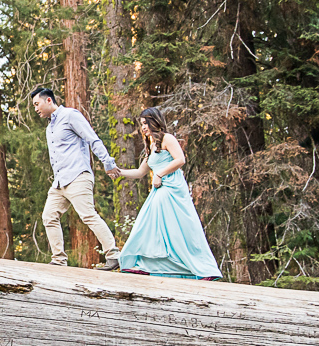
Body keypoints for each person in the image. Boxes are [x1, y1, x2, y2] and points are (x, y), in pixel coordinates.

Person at [114, 106, 223, 280]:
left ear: (154, 121)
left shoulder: (167, 138)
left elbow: (180, 159)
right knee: (150, 225)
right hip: (160, 191)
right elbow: (140, 172)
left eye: (145, 123)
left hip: (172, 189)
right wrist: (118, 171)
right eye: (141, 124)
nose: (142, 127)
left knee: (178, 228)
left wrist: (159, 173)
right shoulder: (150, 145)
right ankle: (148, 264)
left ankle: (204, 269)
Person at [30, 87, 123, 271]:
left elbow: (92, 139)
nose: (35, 109)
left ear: (49, 100)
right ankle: (59, 259)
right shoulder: (50, 128)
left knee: (88, 215)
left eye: (36, 104)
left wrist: (108, 162)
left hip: (78, 176)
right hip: (59, 182)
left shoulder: (70, 115)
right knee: (49, 216)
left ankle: (114, 256)